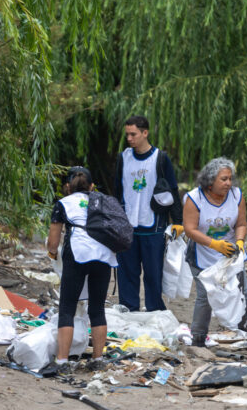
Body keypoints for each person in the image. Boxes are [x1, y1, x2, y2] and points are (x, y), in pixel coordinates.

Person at [182, 157, 247, 352]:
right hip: (203, 252)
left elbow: (241, 224)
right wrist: (215, 244)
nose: (228, 183)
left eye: (230, 178)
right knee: (205, 296)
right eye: (223, 179)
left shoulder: (236, 196)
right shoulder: (195, 198)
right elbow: (190, 229)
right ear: (210, 181)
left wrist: (239, 241)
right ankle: (198, 338)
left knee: (244, 293)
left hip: (230, 254)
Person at [47, 166, 115, 373]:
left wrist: (53, 255)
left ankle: (62, 361)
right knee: (97, 309)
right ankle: (97, 359)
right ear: (92, 186)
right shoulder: (103, 201)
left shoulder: (62, 204)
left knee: (67, 307)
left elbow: (53, 242)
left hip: (76, 255)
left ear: (67, 187)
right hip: (103, 255)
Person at [113, 115, 183, 312]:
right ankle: (129, 311)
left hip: (153, 226)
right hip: (127, 227)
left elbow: (172, 190)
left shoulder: (160, 158)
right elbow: (117, 191)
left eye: (133, 134)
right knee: (127, 273)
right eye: (127, 134)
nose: (129, 138)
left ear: (145, 133)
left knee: (153, 275)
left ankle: (154, 312)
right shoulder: (123, 158)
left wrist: (178, 221)